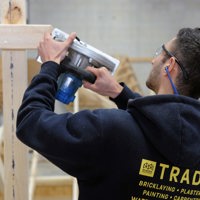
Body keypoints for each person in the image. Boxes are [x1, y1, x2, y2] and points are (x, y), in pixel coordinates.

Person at [16, 28, 200, 200]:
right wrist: (120, 94)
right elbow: (161, 124)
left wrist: (50, 65)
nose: (153, 60)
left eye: (160, 52)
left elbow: (30, 122)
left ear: (170, 64)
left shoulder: (111, 131)